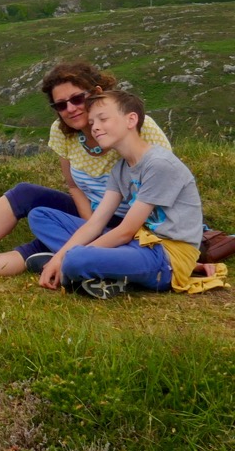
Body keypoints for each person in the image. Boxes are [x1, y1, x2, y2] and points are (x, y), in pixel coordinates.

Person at [0, 61, 170, 283]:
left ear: (97, 93)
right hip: (95, 215)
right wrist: (89, 224)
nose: (70, 109)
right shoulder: (63, 133)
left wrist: (96, 231)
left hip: (136, 224)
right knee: (25, 194)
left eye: (77, 98)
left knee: (39, 246)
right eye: (60, 105)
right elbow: (74, 186)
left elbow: (162, 181)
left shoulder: (138, 126)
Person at [29, 89, 224, 297]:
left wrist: (71, 255)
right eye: (92, 122)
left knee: (77, 259)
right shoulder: (120, 169)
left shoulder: (159, 164)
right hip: (138, 243)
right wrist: (62, 256)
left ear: (131, 120)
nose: (95, 127)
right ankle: (89, 269)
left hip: (167, 255)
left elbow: (126, 231)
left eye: (103, 119)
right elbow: (95, 223)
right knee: (40, 215)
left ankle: (79, 267)